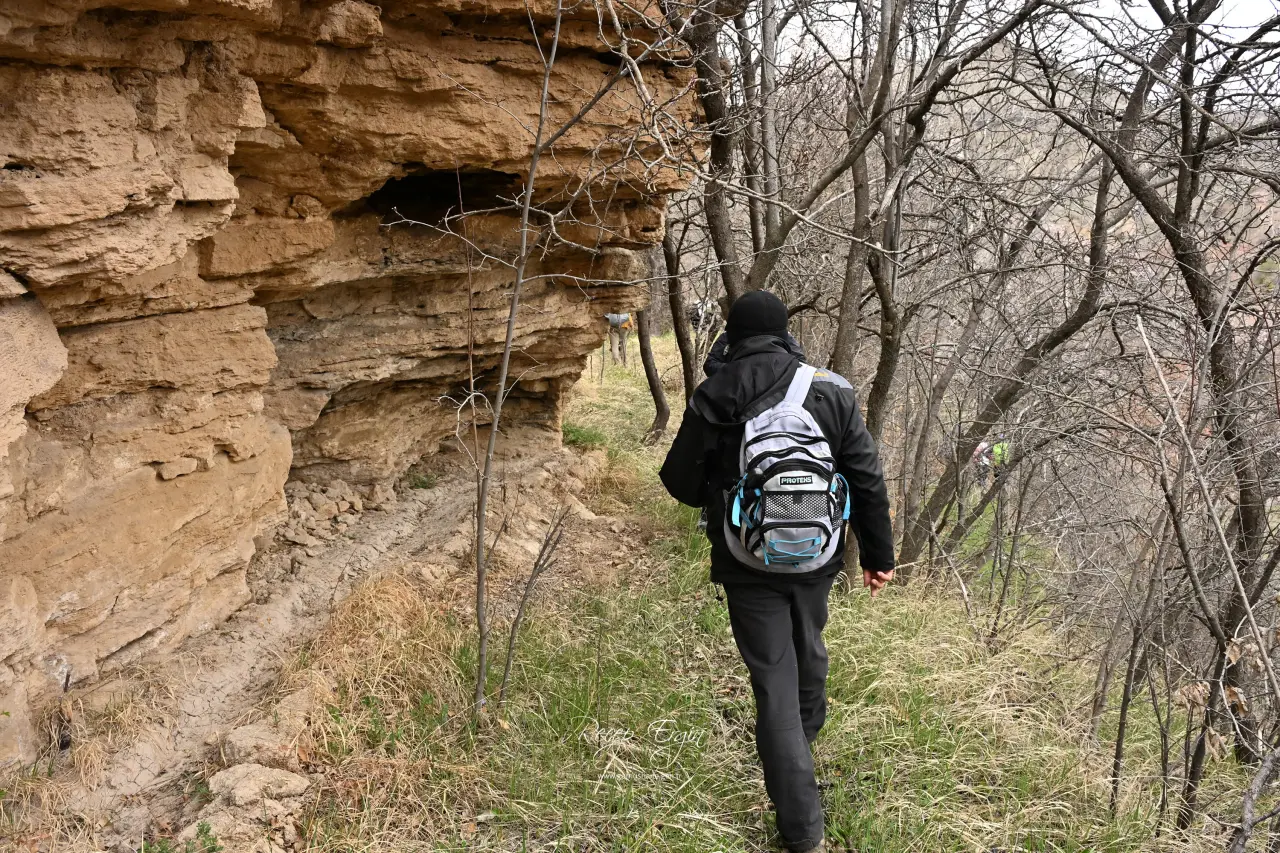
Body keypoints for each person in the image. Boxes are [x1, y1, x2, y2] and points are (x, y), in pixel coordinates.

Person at [659, 291, 895, 853]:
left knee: (773, 681)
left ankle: (801, 823)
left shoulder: (717, 392)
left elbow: (680, 485)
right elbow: (867, 478)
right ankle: (798, 747)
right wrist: (878, 556)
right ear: (786, 331)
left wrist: (720, 481)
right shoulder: (833, 389)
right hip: (817, 554)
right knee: (809, 646)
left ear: (733, 336)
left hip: (746, 561)